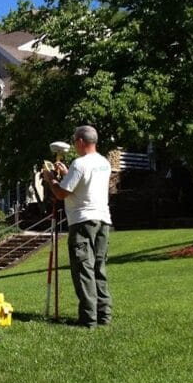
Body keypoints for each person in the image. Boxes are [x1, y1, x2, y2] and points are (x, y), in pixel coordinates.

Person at [42, 126, 113, 328]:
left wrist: (51, 179)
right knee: (99, 268)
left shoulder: (79, 164)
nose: (74, 144)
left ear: (81, 141)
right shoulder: (104, 162)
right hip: (103, 220)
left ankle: (88, 319)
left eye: (75, 140)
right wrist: (67, 174)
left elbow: (61, 193)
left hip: (82, 221)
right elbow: (84, 185)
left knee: (83, 269)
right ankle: (104, 316)